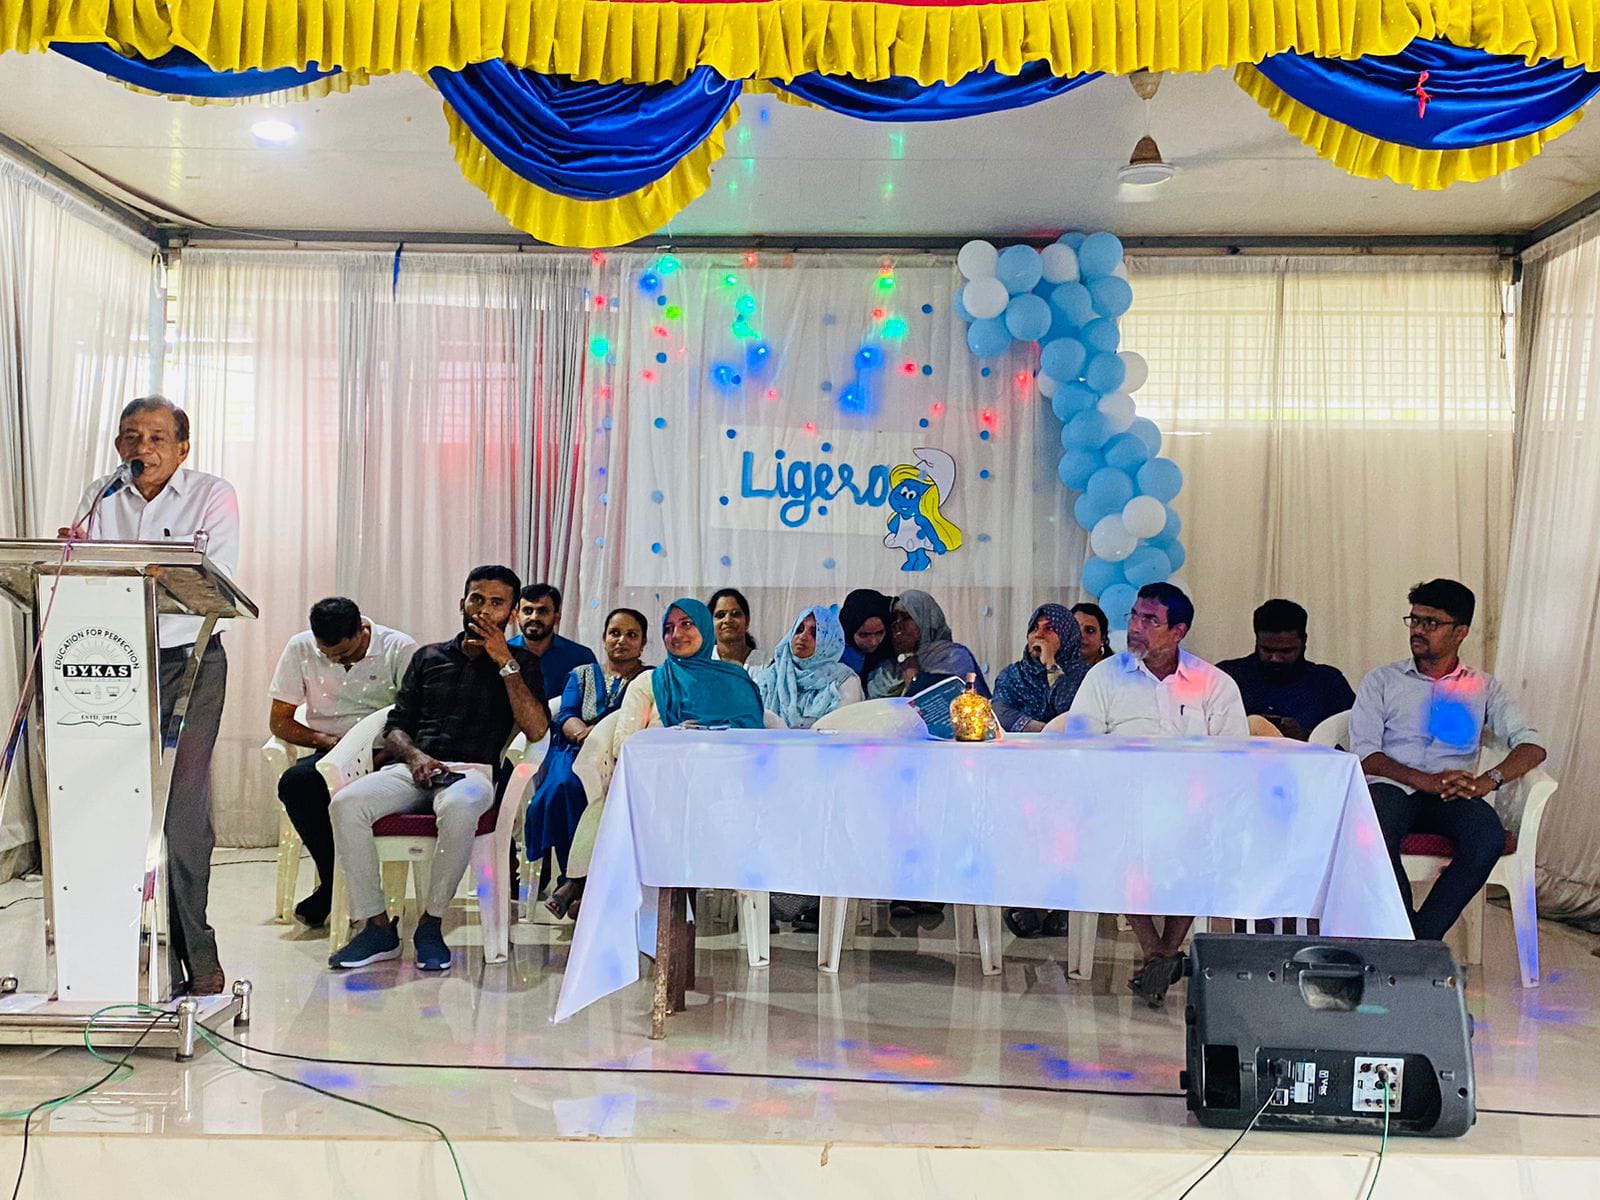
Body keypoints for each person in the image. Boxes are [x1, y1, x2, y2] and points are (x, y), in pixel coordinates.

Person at [66, 395, 240, 996]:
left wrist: (148, 572)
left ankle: (197, 954)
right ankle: (115, 954)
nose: (143, 448)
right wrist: (73, 553)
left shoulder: (212, 495)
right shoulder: (101, 494)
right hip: (112, 662)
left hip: (189, 661)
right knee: (112, 805)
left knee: (181, 810)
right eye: (131, 437)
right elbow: (83, 568)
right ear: (118, 445)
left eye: (157, 437)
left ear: (182, 448)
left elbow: (213, 579)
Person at [327, 566, 549, 972]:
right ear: (462, 603)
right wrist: (414, 757)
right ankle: (377, 926)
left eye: (496, 603)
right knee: (346, 803)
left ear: (512, 613)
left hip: (472, 774)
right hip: (414, 768)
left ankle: (431, 923)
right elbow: (395, 727)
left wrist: (504, 661)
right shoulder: (429, 657)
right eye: (476, 599)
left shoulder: (522, 663)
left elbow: (536, 728)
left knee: (461, 806)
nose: (484, 610)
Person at [1050, 582, 1248, 1007]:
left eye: (1150, 620)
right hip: (1122, 802)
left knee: (1206, 835)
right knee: (1109, 834)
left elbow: (1234, 757)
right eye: (1134, 617)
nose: (1136, 627)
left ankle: (1163, 951)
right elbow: (1080, 745)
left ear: (1178, 631)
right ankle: (1159, 952)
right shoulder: (1104, 677)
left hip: (1191, 805)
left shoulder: (1213, 684)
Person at [1350, 579, 1545, 942]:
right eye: (1415, 620)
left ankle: (1418, 941)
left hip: (1453, 794)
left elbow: (1532, 747)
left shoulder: (1483, 687)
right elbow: (1366, 756)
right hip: (1392, 788)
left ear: (1461, 632)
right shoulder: (1382, 681)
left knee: (1487, 837)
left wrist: (1487, 781)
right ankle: (1409, 940)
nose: (1418, 631)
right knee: (1372, 829)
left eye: (1431, 623)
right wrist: (1424, 780)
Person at [546, 598, 765, 920]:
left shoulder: (734, 680)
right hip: (657, 781)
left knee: (632, 804)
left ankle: (585, 886)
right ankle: (599, 891)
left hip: (720, 785)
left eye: (687, 624)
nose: (676, 634)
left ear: (705, 628)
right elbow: (623, 744)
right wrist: (672, 740)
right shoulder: (650, 682)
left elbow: (753, 737)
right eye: (669, 628)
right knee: (628, 798)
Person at [268, 597, 417, 927]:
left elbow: (416, 718)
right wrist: (328, 743)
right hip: (330, 752)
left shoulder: (399, 648)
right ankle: (334, 880)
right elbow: (279, 721)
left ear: (363, 631)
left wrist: (379, 755)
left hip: (385, 755)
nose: (336, 660)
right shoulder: (300, 648)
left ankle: (334, 891)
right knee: (296, 784)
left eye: (345, 654)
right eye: (328, 655)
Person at [524, 607, 649, 906]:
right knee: (564, 786)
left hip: (622, 756)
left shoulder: (650, 678)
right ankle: (574, 880)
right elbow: (567, 714)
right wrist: (585, 734)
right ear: (604, 638)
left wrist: (603, 735)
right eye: (615, 633)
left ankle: (584, 885)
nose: (621, 640)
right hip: (574, 749)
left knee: (609, 797)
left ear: (643, 643)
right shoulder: (581, 674)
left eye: (631, 635)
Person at [993, 604, 1093, 939]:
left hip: (1070, 773)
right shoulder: (1012, 675)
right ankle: (1027, 899)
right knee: (1020, 817)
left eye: (1050, 628)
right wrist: (1045, 730)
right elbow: (1001, 713)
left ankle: (1062, 903)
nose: (1040, 633)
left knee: (1066, 820)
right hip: (1019, 770)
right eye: (1035, 626)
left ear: (1066, 636)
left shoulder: (1084, 676)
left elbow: (1070, 710)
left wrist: (1052, 664)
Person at [1218, 599, 1355, 740]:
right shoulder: (1227, 677)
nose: (1275, 658)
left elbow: (1351, 737)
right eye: (1267, 650)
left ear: (1304, 642)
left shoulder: (1329, 683)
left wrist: (1306, 736)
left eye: (1286, 651)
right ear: (1257, 641)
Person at [756, 606, 864, 730]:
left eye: (815, 633)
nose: (803, 636)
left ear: (829, 642)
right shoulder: (770, 677)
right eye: (799, 629)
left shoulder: (844, 681)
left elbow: (842, 730)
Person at [868, 590, 989, 699]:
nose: (897, 624)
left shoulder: (953, 657)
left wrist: (908, 657)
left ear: (926, 620)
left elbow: (933, 703)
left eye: (906, 617)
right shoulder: (888, 668)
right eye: (895, 617)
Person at [510, 583, 598, 700]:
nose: (534, 617)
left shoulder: (581, 657)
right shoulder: (504, 653)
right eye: (527, 611)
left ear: (557, 617)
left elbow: (593, 703)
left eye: (542, 611)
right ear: (517, 616)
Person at [839, 589, 894, 686]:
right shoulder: (836, 657)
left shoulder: (891, 648)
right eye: (864, 635)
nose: (874, 642)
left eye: (880, 633)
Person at [709, 587, 760, 669]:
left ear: (747, 621)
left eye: (735, 614)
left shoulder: (767, 664)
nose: (728, 620)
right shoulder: (702, 663)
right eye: (721, 615)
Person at [1072, 603, 1114, 667]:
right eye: (1075, 628)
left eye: (1090, 630)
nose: (1081, 635)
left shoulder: (1113, 669)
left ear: (1103, 638)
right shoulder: (1056, 664)